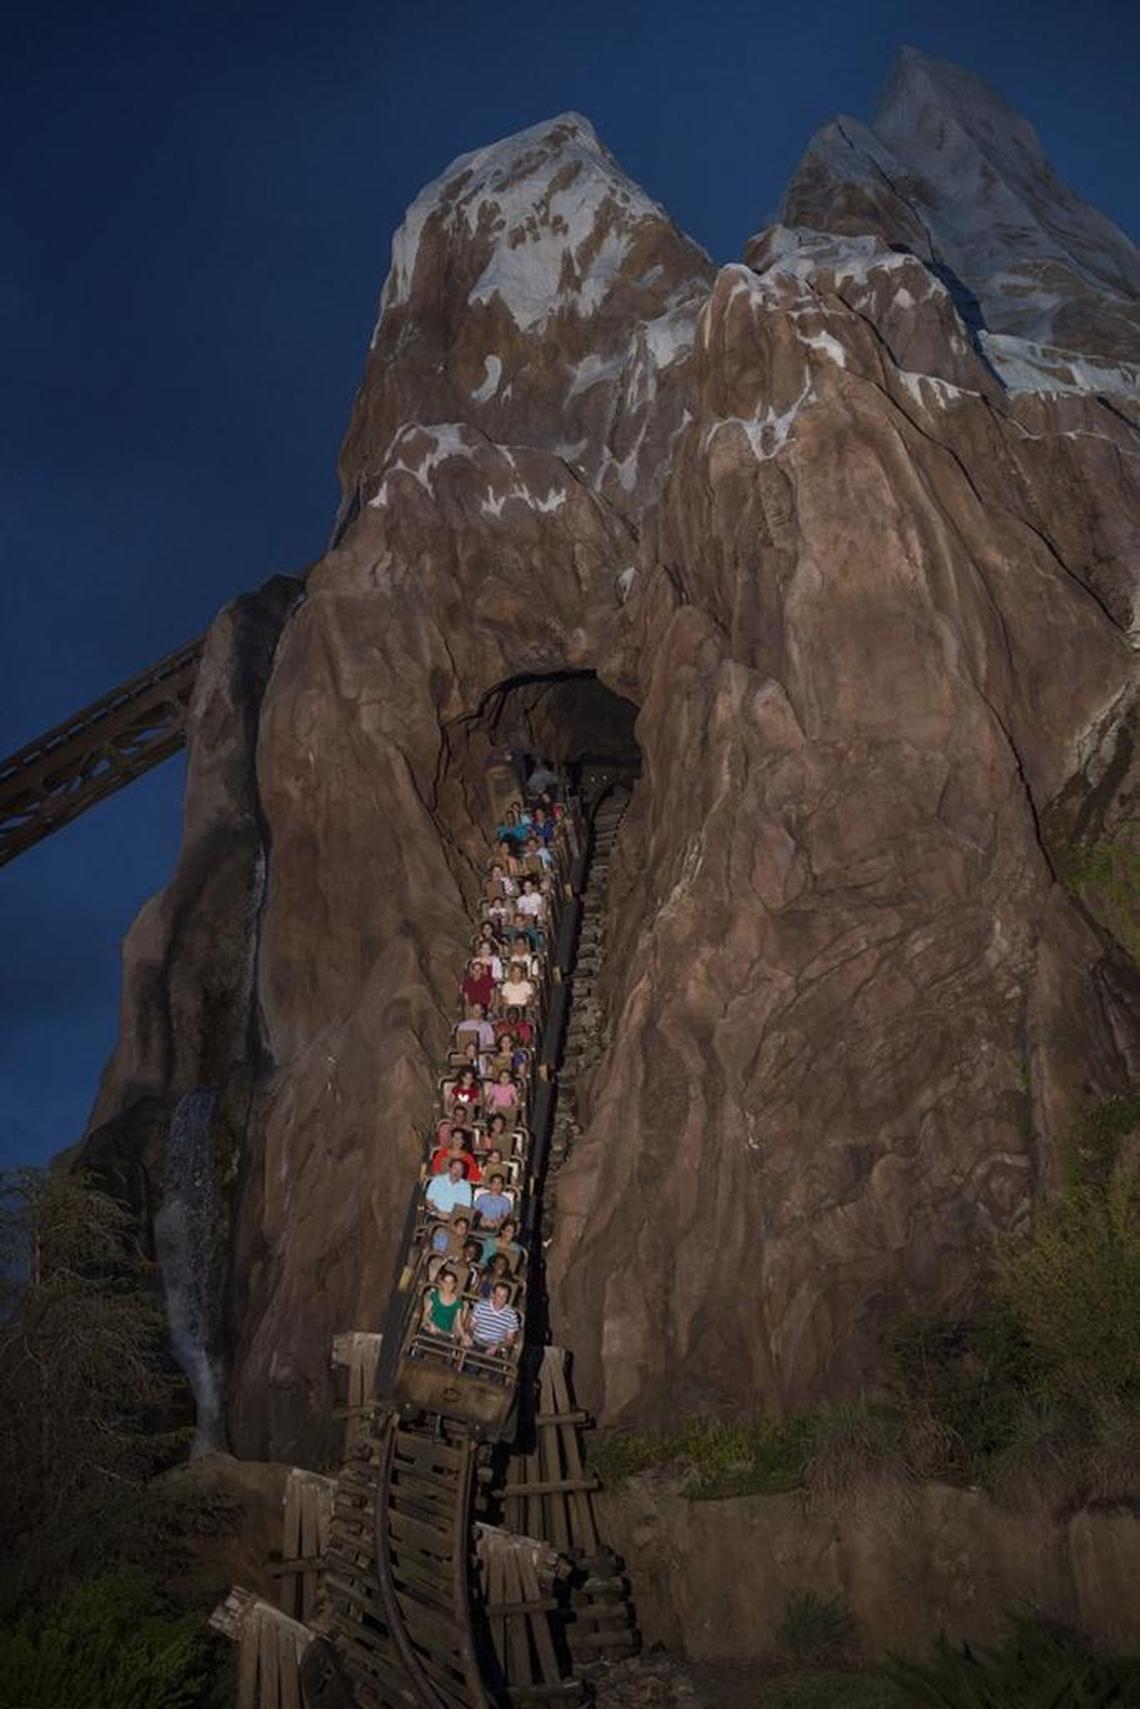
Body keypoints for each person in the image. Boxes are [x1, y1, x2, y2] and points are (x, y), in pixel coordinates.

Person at [467, 1281, 521, 1354]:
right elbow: (471, 1326)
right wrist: (469, 1336)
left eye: (504, 1296)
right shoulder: (481, 1306)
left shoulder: (511, 1315)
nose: (501, 1299)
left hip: (497, 1346)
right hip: (477, 1341)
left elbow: (510, 1339)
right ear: (493, 1295)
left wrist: (498, 1347)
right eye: (498, 1295)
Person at [422, 1269, 464, 1338]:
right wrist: (431, 1324)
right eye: (445, 1282)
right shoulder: (435, 1296)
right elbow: (425, 1315)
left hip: (444, 1334)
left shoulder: (458, 1302)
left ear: (455, 1284)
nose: (448, 1285)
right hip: (430, 1329)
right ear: (441, 1283)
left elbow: (459, 1324)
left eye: (451, 1282)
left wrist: (464, 1336)